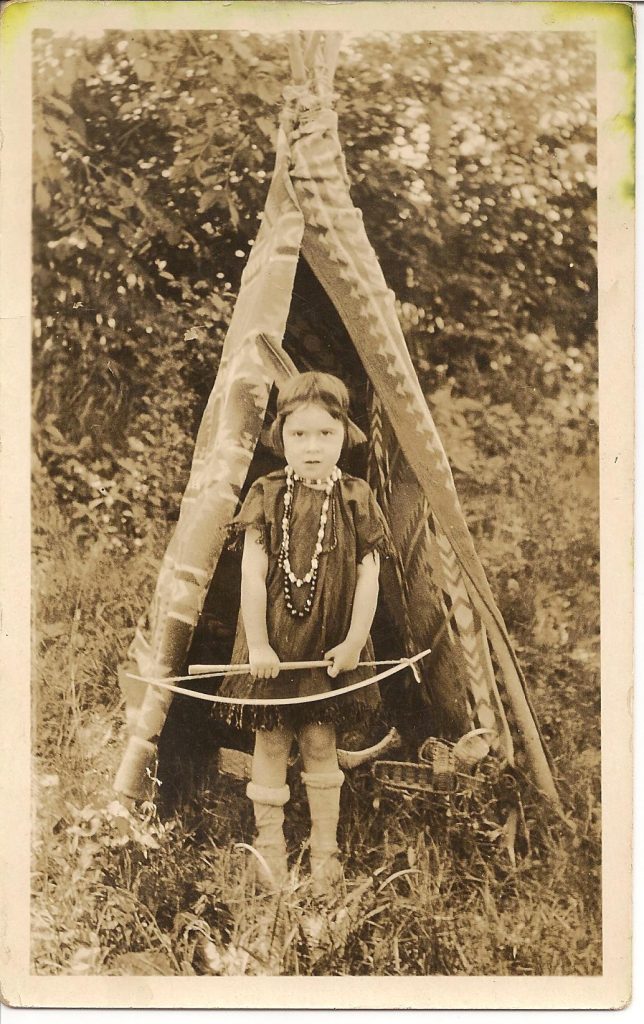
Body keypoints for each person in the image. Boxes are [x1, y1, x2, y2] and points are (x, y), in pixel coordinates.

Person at [216, 371, 392, 898]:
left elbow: (370, 574)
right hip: (274, 646)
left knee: (319, 741)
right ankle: (268, 851)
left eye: (325, 435)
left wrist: (356, 640)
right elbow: (251, 573)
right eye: (299, 435)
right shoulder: (267, 494)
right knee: (270, 743)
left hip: (329, 648)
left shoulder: (356, 496)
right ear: (280, 437)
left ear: (345, 435)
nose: (312, 448)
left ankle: (324, 852)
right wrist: (261, 645)